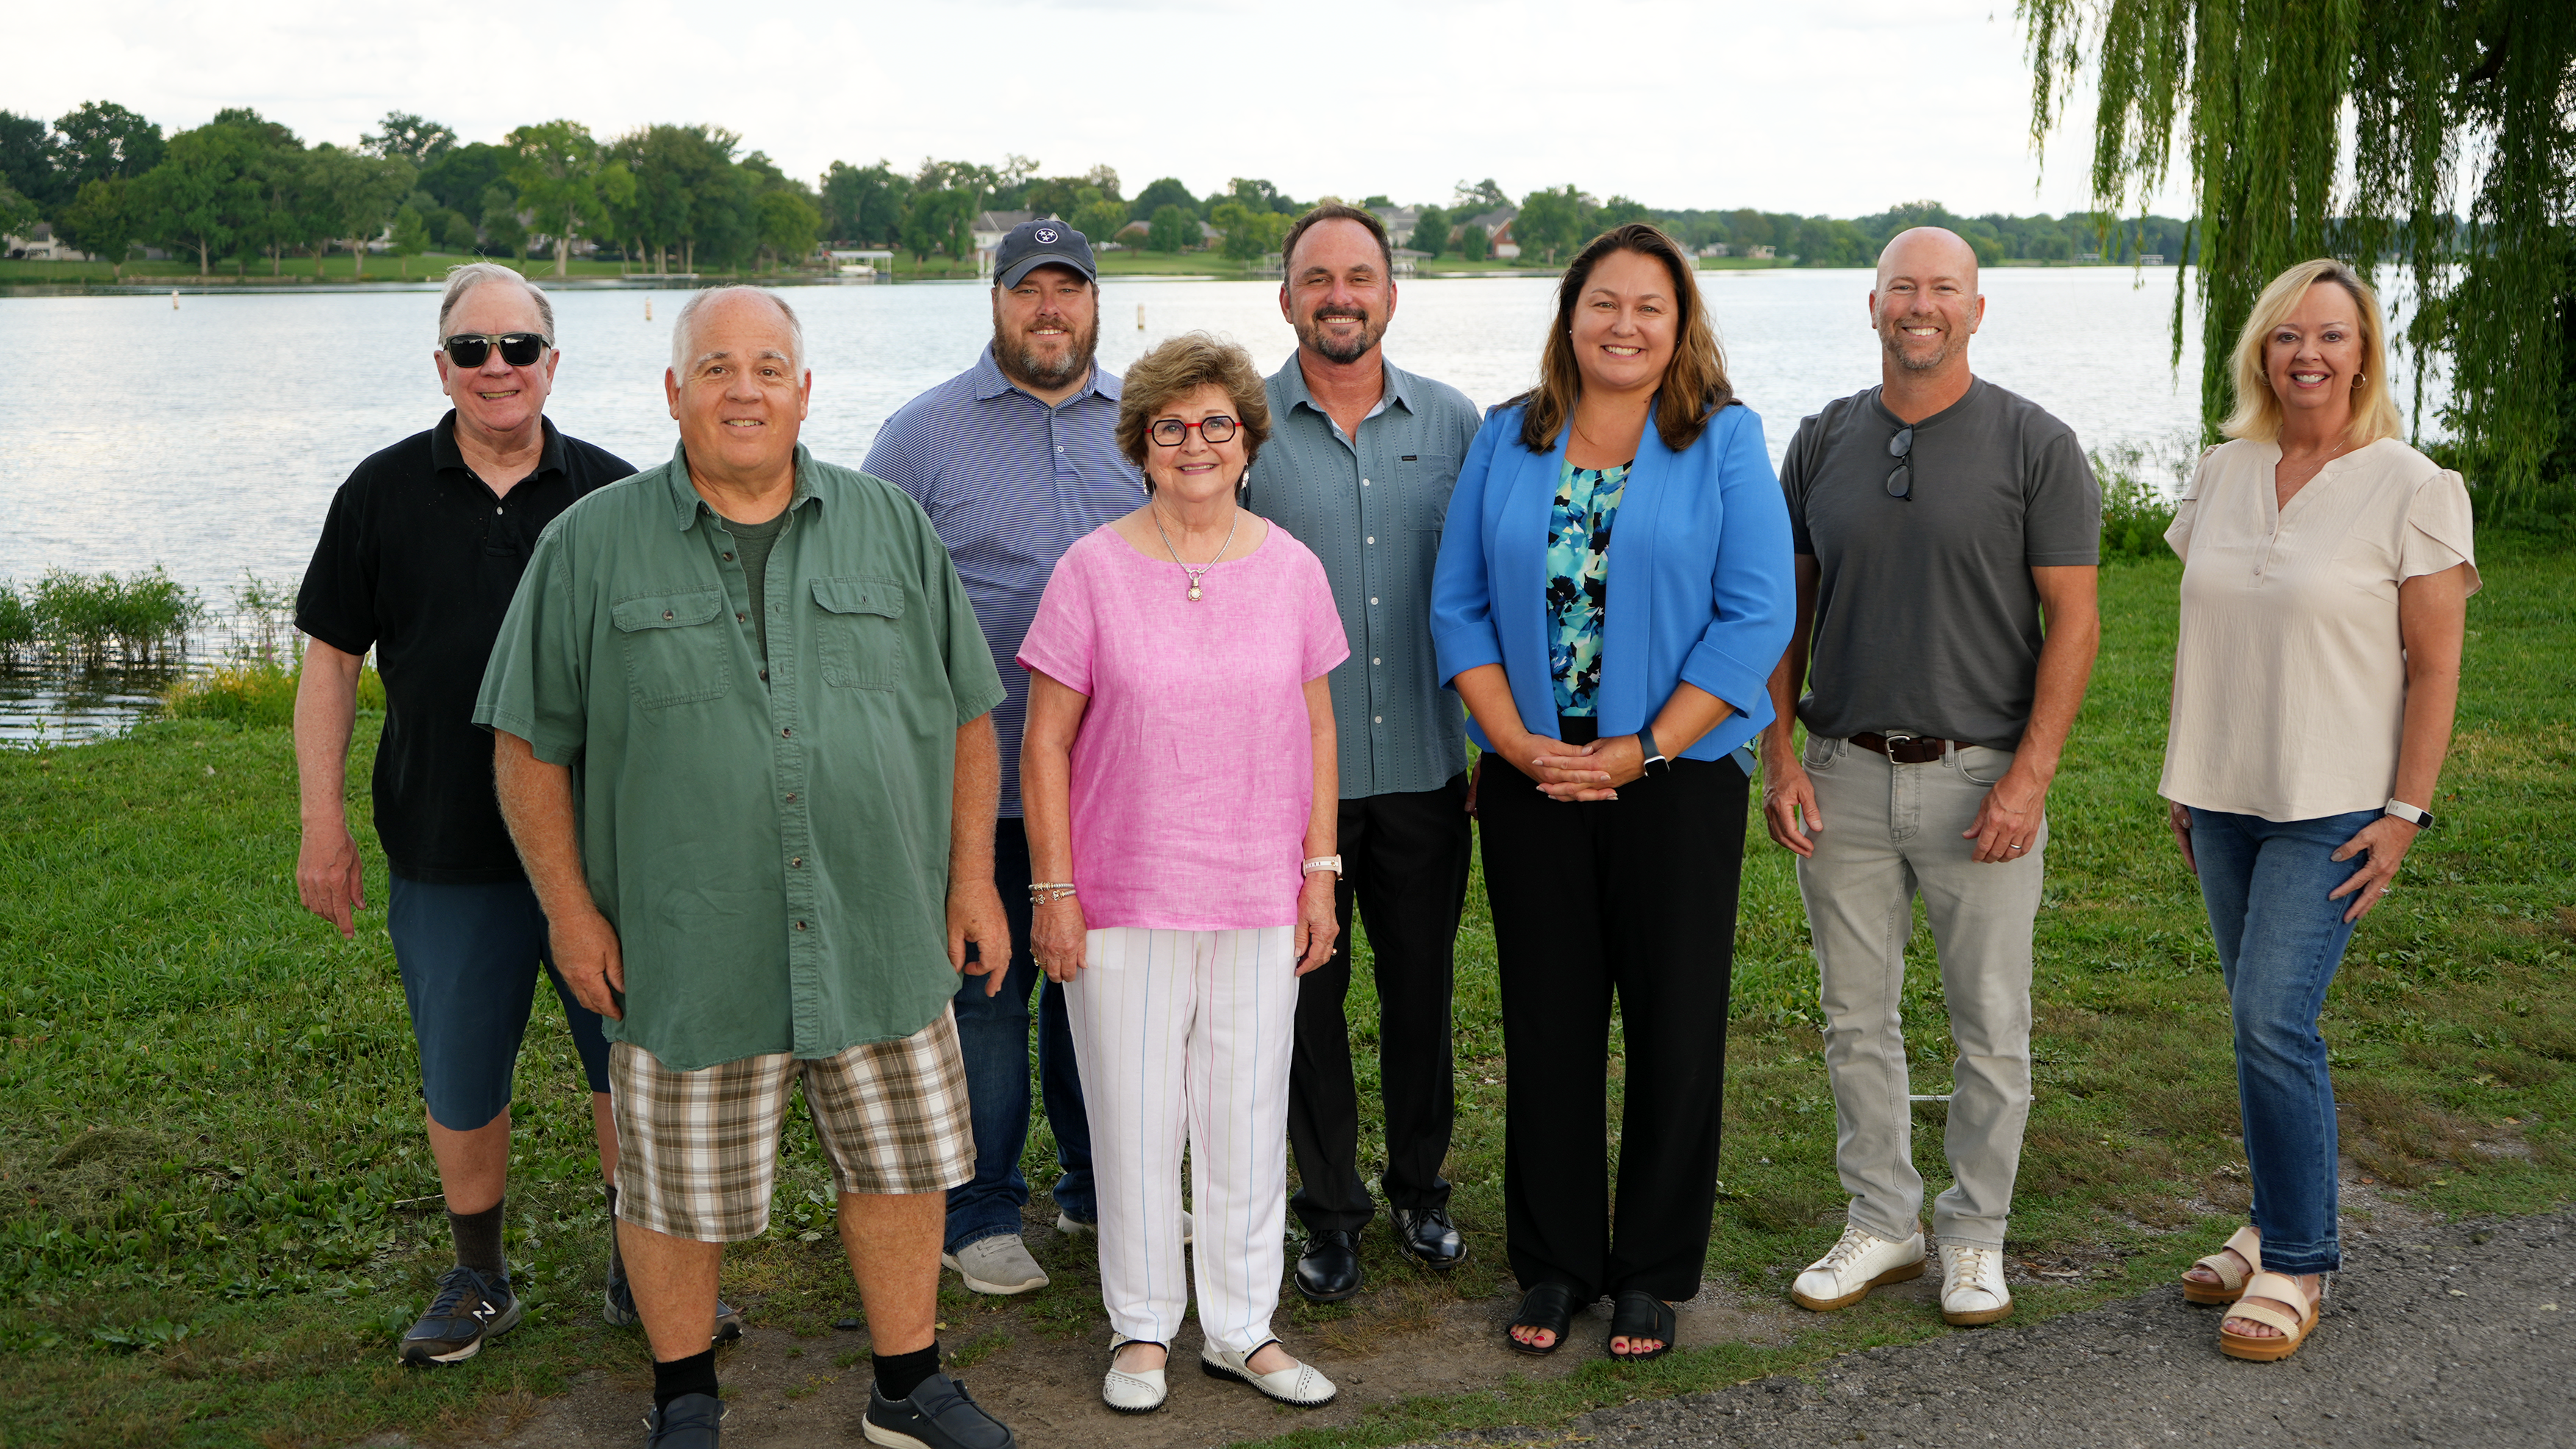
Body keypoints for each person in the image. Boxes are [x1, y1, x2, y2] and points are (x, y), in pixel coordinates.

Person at [475, 287, 1019, 1449]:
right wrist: (570, 913)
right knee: (671, 1184)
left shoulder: (891, 525)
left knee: (902, 1163)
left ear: (805, 391)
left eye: (769, 366)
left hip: (876, 924)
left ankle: (908, 1385)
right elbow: (526, 748)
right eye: (715, 367)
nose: (744, 387)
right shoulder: (590, 542)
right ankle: (683, 1397)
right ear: (674, 393)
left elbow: (971, 714)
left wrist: (972, 880)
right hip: (689, 935)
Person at [291, 262, 743, 1365]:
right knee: (461, 1070)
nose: (499, 368)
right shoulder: (380, 493)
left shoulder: (616, 492)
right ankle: (479, 1274)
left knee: (624, 1062)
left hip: (603, 854)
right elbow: (332, 665)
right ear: (441, 365)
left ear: (553, 361)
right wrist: (322, 822)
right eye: (474, 349)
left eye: (520, 347)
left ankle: (643, 1263)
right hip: (445, 845)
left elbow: (683, 670)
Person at [1430, 223, 1795, 1361]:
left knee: (1675, 1026)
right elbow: (1458, 607)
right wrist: (1516, 745)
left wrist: (1645, 746)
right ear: (1569, 315)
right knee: (1548, 1024)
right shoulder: (1508, 436)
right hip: (1534, 777)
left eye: (1649, 306)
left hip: (1675, 780)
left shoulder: (1722, 441)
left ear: (1681, 324)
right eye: (1603, 302)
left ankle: (1649, 1270)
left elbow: (1756, 614)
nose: (1624, 324)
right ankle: (1554, 1261)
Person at [1761, 228, 2101, 1330]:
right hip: (1843, 772)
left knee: (1989, 1023)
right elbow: (1785, 618)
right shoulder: (1820, 442)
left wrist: (2030, 778)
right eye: (1903, 287)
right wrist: (1777, 754)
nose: (1922, 305)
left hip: (1980, 779)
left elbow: (2077, 621)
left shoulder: (2035, 443)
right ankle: (1883, 1221)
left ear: (1976, 308)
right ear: (1871, 308)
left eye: (1943, 288)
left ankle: (1976, 1236)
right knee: (1855, 1017)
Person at [1019, 333, 1346, 1414]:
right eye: (1171, 426)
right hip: (1122, 899)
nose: (1196, 444)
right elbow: (1045, 743)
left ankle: (1243, 1327)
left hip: (1257, 893)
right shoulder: (1093, 569)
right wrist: (1054, 890)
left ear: (1247, 440)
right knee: (1135, 1120)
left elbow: (1316, 731)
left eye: (1217, 424)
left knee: (1248, 1116)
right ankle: (1145, 1328)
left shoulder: (1292, 567)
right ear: (1142, 445)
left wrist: (1319, 874)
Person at [2164, 258, 2474, 1363]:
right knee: (2255, 1022)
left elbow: (2434, 668)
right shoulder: (2223, 470)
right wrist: (2185, 774)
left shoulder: (2412, 484)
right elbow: (2211, 629)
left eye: (2332, 336)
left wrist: (2406, 810)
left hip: (2333, 804)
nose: (2309, 354)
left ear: (2364, 353)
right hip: (2223, 796)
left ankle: (2298, 1257)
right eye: (2289, 335)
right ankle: (2264, 1218)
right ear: (2262, 350)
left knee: (2271, 1019)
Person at [862, 218, 1139, 1298]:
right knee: (987, 990)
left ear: (1096, 303)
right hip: (977, 774)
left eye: (1070, 290)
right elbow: (873, 604)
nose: (1050, 310)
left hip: (1116, 783)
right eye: (1032, 290)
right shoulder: (922, 434)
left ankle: (1097, 1187)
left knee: (1100, 990)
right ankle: (980, 1209)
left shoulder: (1146, 423)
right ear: (996, 299)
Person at [1245, 203, 1482, 1303]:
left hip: (1432, 767)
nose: (1340, 294)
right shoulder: (1240, 429)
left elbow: (1487, 590)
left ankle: (1421, 1190)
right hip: (1295, 786)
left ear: (1393, 293)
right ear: (1285, 295)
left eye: (1360, 276)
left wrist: (1498, 737)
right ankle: (1329, 1209)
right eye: (1317, 277)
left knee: (1422, 992)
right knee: (1308, 1002)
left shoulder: (1457, 422)